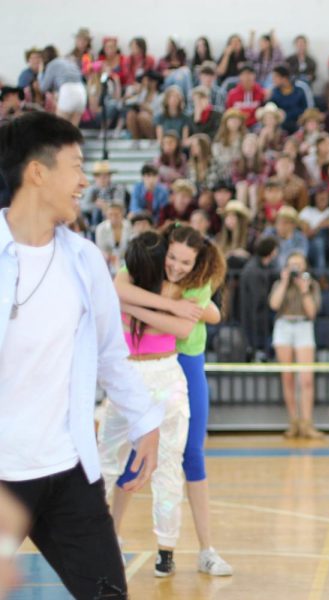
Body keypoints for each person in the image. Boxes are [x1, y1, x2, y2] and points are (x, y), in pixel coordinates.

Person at [0, 111, 162, 599]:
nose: (84, 181)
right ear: (37, 172)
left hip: (68, 469)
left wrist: (145, 421)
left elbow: (112, 354)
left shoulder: (85, 259)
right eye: (75, 166)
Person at [113, 224, 232, 577]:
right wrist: (166, 306)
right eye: (173, 258)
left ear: (196, 262)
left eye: (185, 261)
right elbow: (117, 289)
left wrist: (137, 309)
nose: (177, 266)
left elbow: (187, 326)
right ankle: (112, 537)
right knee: (134, 453)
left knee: (192, 454)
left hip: (185, 363)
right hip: (146, 365)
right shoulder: (146, 266)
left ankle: (206, 550)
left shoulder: (200, 280)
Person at [98, 231, 194, 579]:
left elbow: (117, 289)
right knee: (168, 466)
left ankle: (103, 543)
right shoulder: (177, 291)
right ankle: (165, 552)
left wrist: (130, 307)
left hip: (129, 379)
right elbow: (189, 325)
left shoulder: (122, 288)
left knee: (108, 463)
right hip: (166, 375)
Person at [270, 251, 325, 439]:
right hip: (284, 326)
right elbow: (274, 304)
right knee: (287, 377)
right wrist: (285, 282)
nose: (295, 269)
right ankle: (293, 422)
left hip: (303, 326)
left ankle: (307, 423)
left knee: (306, 378)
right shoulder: (280, 284)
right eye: (292, 265)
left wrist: (304, 290)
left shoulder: (312, 285)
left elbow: (311, 313)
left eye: (299, 265)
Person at [239, 236, 279, 361]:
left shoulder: (261, 267)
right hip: (256, 315)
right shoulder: (254, 270)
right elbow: (258, 298)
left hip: (258, 314)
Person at [299, 184, 329, 273]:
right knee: (319, 243)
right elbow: (304, 235)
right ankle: (321, 276)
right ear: (314, 197)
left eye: (325, 195)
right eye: (319, 195)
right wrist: (319, 227)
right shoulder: (307, 211)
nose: (322, 197)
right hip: (313, 246)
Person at [39, 46, 87, 126]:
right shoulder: (68, 61)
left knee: (60, 127)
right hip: (81, 91)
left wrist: (40, 72)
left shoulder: (52, 64)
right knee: (73, 130)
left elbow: (43, 88)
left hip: (68, 91)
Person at [83, 160, 129, 226]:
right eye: (99, 176)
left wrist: (105, 205)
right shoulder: (91, 189)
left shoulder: (118, 188)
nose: (102, 178)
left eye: (105, 175)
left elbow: (119, 204)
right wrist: (97, 206)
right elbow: (84, 206)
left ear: (109, 176)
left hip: (114, 217)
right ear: (95, 177)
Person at [270, 65, 313, 135]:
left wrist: (303, 118)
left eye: (275, 77)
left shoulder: (301, 87)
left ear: (284, 78)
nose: (273, 80)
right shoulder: (275, 92)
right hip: (282, 126)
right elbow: (271, 109)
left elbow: (310, 108)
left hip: (300, 124)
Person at [124, 70, 163, 140]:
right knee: (131, 114)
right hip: (140, 122)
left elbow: (159, 115)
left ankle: (152, 139)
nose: (145, 83)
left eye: (148, 81)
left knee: (142, 116)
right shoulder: (143, 93)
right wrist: (138, 91)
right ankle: (135, 139)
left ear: (155, 82)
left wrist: (146, 108)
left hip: (154, 124)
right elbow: (127, 102)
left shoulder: (160, 96)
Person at [94, 201, 132, 274]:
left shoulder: (128, 225)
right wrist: (113, 260)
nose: (113, 217)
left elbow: (131, 246)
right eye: (110, 214)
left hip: (126, 259)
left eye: (116, 214)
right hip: (108, 261)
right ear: (106, 215)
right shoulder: (100, 228)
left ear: (122, 214)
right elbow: (101, 249)